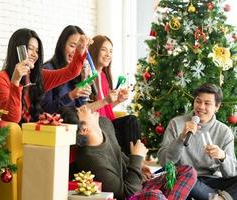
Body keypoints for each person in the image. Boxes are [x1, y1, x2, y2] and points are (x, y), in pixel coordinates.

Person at [57, 105, 197, 200]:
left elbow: (117, 154)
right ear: (84, 130)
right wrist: (136, 158)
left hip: (139, 183)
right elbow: (127, 193)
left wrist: (138, 166)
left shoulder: (105, 124)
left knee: (188, 171)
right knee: (155, 196)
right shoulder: (90, 160)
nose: (86, 107)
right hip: (130, 194)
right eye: (81, 111)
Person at [158, 83, 237, 200]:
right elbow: (164, 161)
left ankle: (218, 198)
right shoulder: (176, 124)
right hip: (183, 178)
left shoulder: (224, 132)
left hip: (211, 180)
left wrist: (223, 157)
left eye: (207, 103)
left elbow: (231, 173)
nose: (201, 107)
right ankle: (213, 197)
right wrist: (181, 138)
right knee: (185, 180)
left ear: (217, 106)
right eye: (198, 101)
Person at [0, 28, 89, 123]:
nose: (34, 55)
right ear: (17, 50)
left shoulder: (38, 76)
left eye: (37, 51)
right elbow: (12, 119)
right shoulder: (1, 78)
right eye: (30, 48)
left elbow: (71, 72)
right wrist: (15, 81)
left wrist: (80, 50)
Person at [88, 35, 141, 156]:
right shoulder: (88, 76)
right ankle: (135, 163)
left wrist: (118, 101)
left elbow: (104, 107)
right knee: (131, 121)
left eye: (111, 51)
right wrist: (107, 100)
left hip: (108, 124)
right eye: (104, 49)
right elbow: (88, 108)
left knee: (132, 122)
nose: (108, 54)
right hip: (99, 126)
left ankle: (136, 163)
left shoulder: (104, 77)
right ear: (94, 49)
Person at [41, 25, 92, 113]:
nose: (76, 52)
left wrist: (83, 92)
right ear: (62, 45)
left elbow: (80, 110)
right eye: (72, 46)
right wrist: (71, 95)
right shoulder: (48, 69)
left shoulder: (78, 72)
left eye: (80, 47)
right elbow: (45, 110)